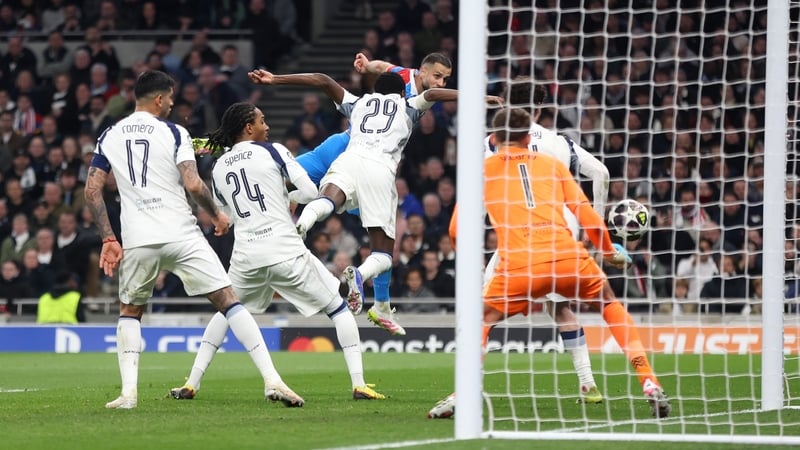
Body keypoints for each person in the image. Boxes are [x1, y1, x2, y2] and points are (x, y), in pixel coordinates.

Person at [427, 108, 671, 419]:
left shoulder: (482, 169)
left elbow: (455, 229)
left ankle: (464, 391)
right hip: (568, 257)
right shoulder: (553, 164)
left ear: (496, 138)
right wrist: (608, 252)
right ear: (528, 137)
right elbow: (589, 218)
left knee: (481, 321)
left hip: (519, 265)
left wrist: (471, 266)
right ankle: (648, 380)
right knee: (609, 303)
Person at [84, 70, 302, 409]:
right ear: (159, 99)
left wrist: (108, 238)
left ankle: (128, 394)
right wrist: (217, 215)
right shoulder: (174, 132)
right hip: (181, 233)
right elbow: (194, 184)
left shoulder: (109, 134)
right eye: (170, 97)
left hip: (138, 237)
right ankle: (273, 380)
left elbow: (92, 190)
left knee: (130, 311)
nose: (172, 103)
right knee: (229, 301)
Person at [169, 102, 385, 401]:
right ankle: (359, 384)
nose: (267, 125)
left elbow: (226, 210)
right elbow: (310, 193)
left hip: (246, 256)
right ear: (248, 126)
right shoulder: (274, 150)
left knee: (226, 310)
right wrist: (289, 196)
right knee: (339, 308)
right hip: (285, 250)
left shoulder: (218, 168)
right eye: (262, 120)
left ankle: (192, 382)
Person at [247, 68, 462, 338]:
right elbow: (430, 93)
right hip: (377, 170)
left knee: (321, 196)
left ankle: (302, 224)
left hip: (345, 159)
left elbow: (323, 80)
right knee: (383, 249)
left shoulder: (358, 103)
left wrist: (277, 78)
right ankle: (363, 280)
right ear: (400, 92)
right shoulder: (407, 105)